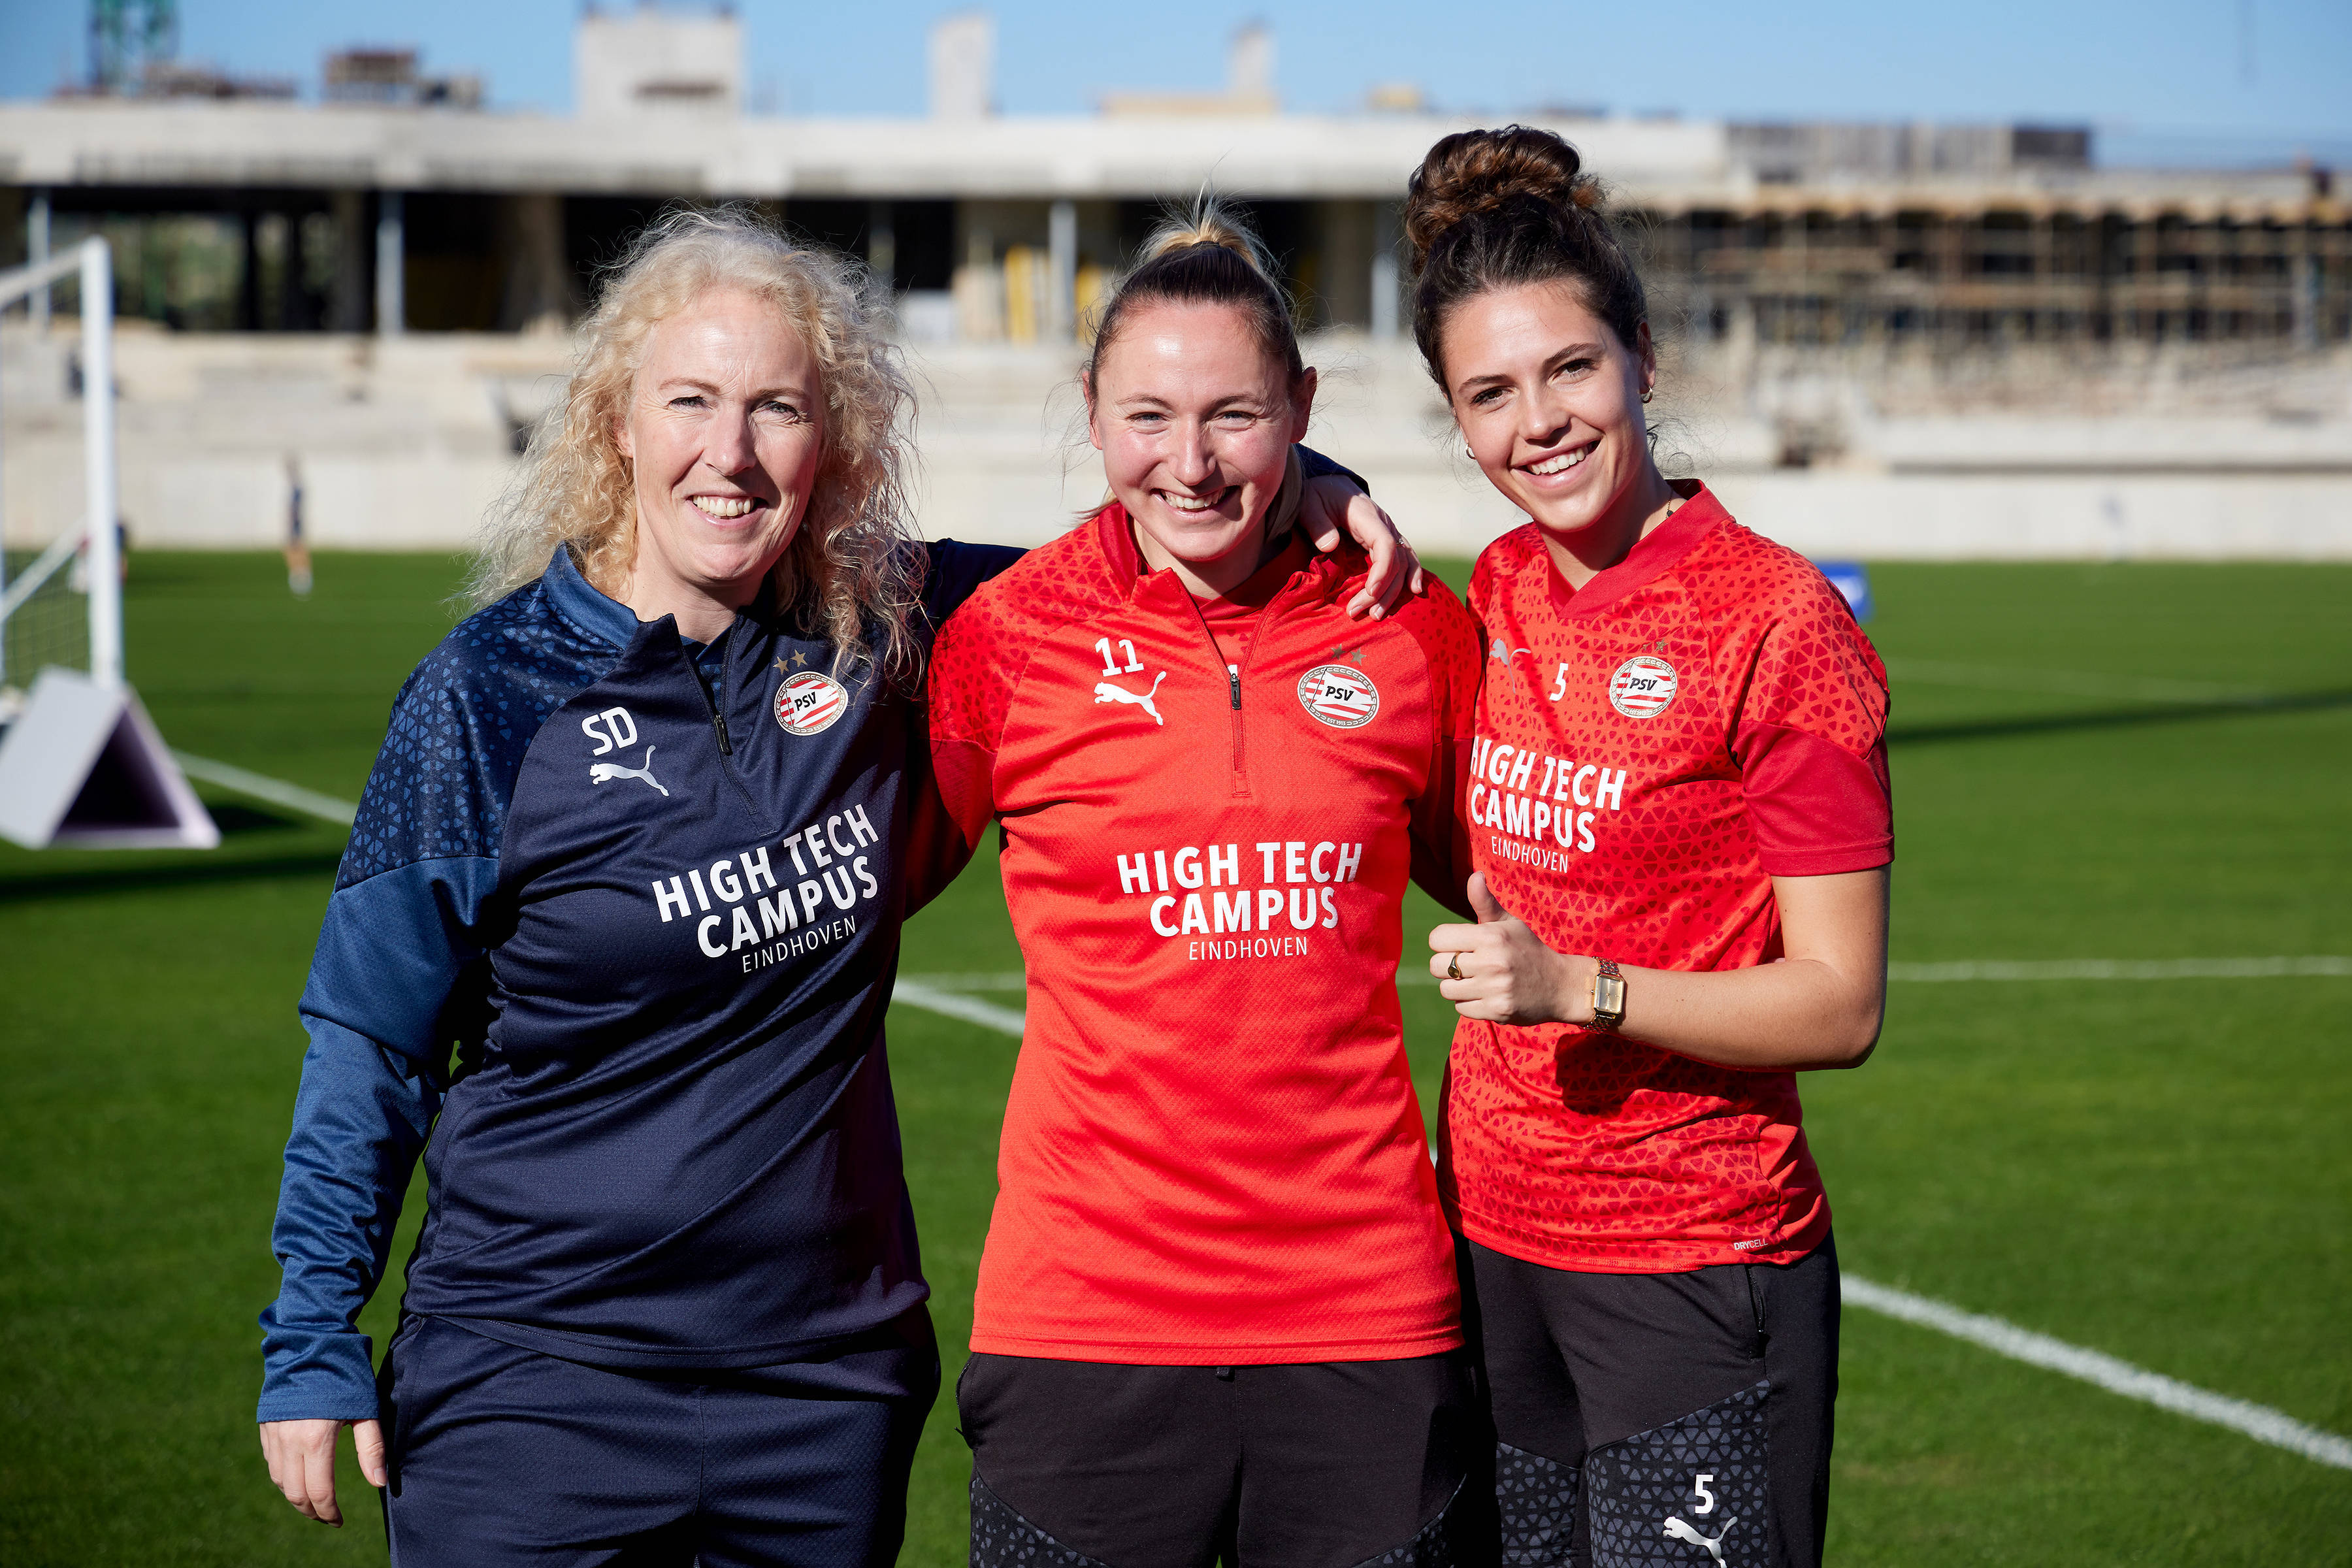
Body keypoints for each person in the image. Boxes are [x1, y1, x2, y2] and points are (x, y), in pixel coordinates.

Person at [253, 206, 1414, 1566]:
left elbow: (1165, 521)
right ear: (617, 423)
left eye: (778, 410)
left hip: (822, 1397)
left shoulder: (898, 638)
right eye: (690, 401)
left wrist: (1306, 475)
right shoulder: (484, 697)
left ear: (834, 443)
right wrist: (312, 1335)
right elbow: (369, 1041)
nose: (729, 454)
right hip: (536, 1382)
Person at [925, 204, 1488, 1568]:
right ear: (1089, 410)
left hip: (1364, 1320)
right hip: (1083, 1323)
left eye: (1235, 415)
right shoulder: (1008, 639)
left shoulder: (1410, 625)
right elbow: (847, 911)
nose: (1188, 463)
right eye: (1147, 417)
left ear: (1303, 408)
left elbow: (1532, 889)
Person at [1410, 128, 1891, 1568]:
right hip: (1491, 1247)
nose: (1537, 423)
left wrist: (1581, 991)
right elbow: (1514, 863)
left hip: (1698, 1262)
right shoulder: (1493, 586)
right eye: (1488, 394)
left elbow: (1840, 1002)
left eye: (1569, 369)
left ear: (1642, 358)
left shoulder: (1779, 625)